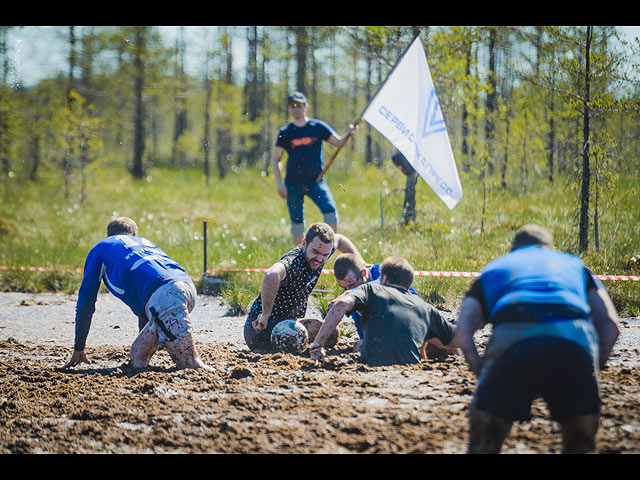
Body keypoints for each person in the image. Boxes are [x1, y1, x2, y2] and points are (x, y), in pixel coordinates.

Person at [453, 224, 620, 454]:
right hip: (572, 337)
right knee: (580, 444)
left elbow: (463, 331)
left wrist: (482, 374)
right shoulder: (575, 265)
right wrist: (593, 368)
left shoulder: (493, 268)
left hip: (513, 336)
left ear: (513, 249)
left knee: (485, 440)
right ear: (550, 249)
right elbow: (611, 326)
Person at [61, 217, 214, 372]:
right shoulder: (144, 242)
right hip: (186, 286)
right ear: (134, 234)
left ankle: (221, 381)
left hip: (165, 298)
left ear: (109, 235)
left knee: (190, 364)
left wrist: (79, 347)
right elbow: (147, 299)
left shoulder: (101, 248)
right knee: (138, 358)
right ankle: (163, 334)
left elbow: (86, 302)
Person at [311, 256, 457, 367]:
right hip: (405, 356)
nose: (347, 290)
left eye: (351, 284)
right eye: (343, 288)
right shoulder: (359, 293)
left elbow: (346, 301)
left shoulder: (377, 278)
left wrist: (318, 344)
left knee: (441, 343)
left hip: (410, 328)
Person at [243, 222, 361, 352]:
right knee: (295, 341)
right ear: (304, 244)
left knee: (332, 334)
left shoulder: (323, 250)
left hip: (291, 321)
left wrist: (360, 263)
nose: (319, 259)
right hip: (260, 330)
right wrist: (265, 315)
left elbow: (340, 239)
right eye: (315, 252)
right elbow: (271, 275)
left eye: (325, 255)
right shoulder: (295, 261)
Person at [272, 91, 358, 244]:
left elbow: (338, 143)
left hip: (316, 181)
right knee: (297, 223)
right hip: (292, 184)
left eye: (299, 105)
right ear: (289, 109)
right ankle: (300, 258)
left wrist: (349, 133)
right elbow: (276, 159)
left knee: (330, 212)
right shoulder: (285, 132)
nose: (296, 109)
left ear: (306, 107)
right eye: (292, 106)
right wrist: (279, 184)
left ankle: (329, 249)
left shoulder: (318, 127)